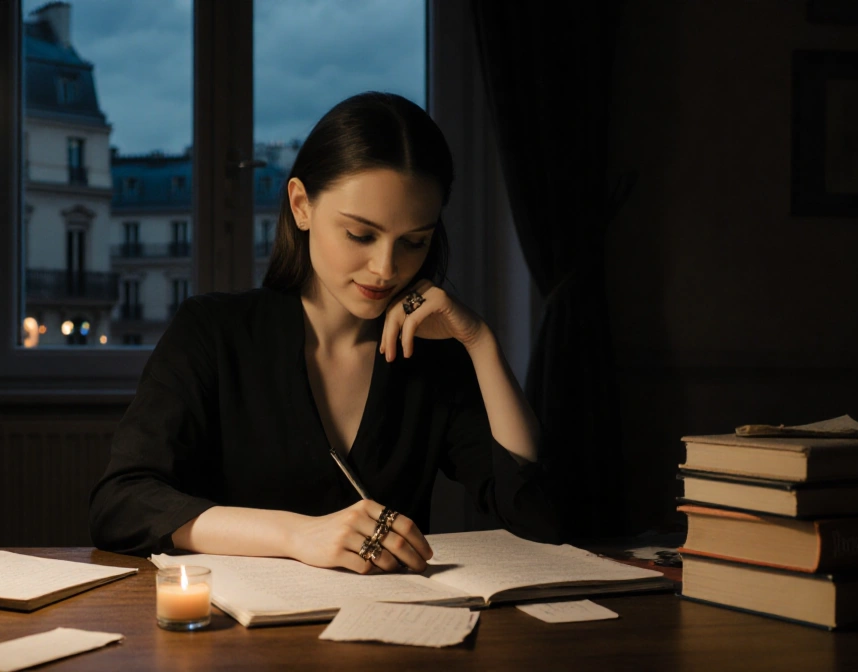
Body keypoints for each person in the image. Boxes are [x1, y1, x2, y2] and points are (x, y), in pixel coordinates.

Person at [90, 92, 559, 574]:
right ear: (301, 206)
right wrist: (296, 535)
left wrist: (480, 340)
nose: (385, 268)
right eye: (360, 234)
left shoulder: (432, 354)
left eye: (415, 242)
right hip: (237, 634)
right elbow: (120, 503)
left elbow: (532, 510)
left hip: (397, 631)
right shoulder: (212, 332)